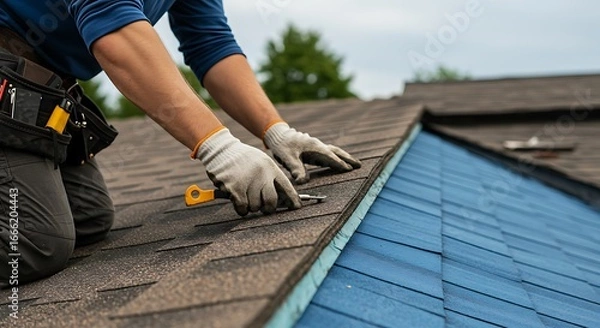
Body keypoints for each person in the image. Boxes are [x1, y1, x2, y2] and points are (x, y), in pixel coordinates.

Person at [0, 1, 360, 286]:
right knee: (33, 241)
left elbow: (210, 43)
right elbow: (112, 28)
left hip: (38, 82)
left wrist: (275, 131)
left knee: (88, 219)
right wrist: (217, 147)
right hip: (8, 65)